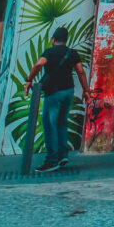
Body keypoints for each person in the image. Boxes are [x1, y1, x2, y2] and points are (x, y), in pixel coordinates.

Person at [23, 26, 91, 173]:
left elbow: (39, 64)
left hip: (53, 93)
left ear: (53, 40)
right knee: (61, 123)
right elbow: (80, 71)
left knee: (49, 124)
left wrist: (29, 80)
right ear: (66, 40)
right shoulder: (72, 53)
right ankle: (62, 156)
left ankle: (51, 160)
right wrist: (86, 90)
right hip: (68, 92)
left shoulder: (49, 52)